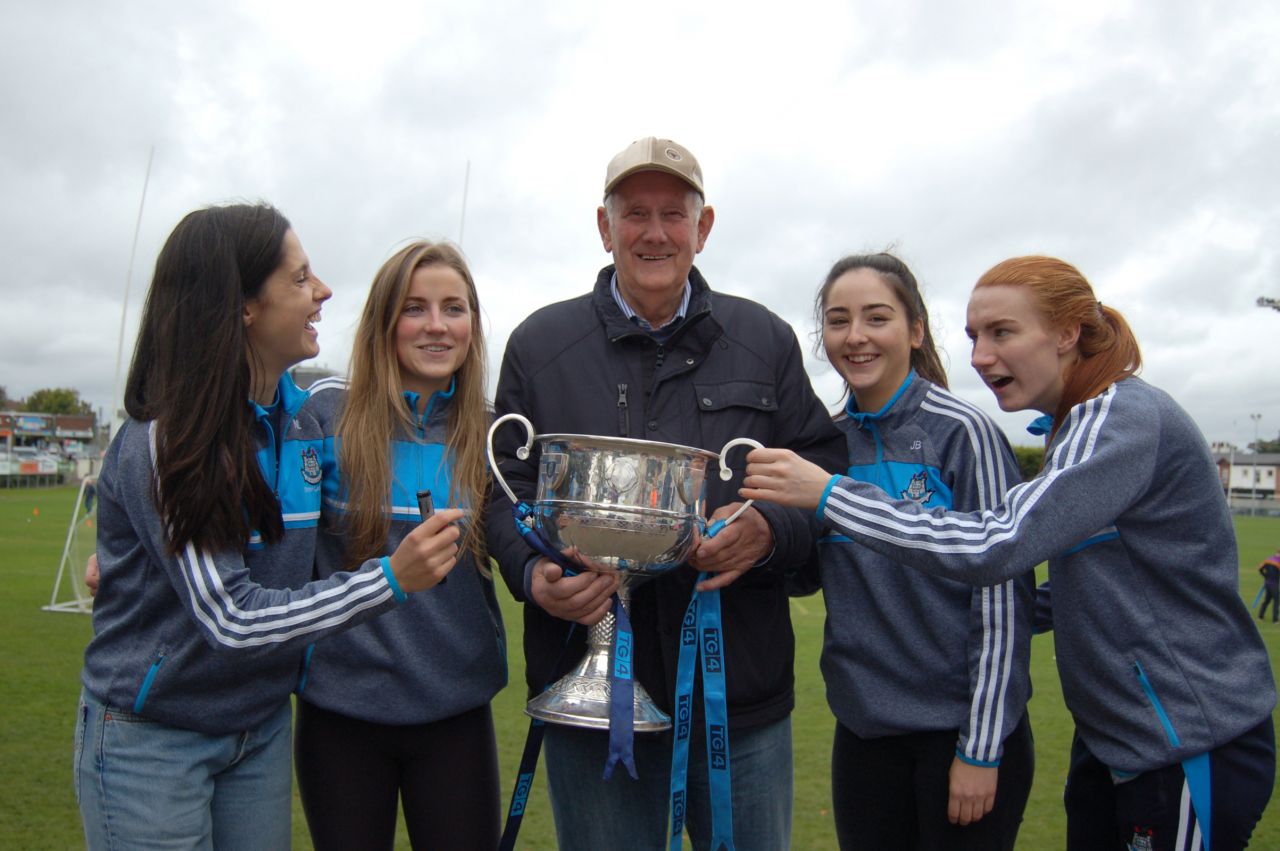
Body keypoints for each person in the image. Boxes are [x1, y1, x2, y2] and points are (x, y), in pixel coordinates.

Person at [741, 255, 1277, 850]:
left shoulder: (1121, 417)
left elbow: (1001, 546)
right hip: (1112, 743)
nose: (979, 357)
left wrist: (831, 495)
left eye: (1002, 333)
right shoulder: (1072, 428)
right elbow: (1043, 585)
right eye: (974, 337)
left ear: (1068, 333)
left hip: (1187, 737)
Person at [484, 137, 846, 851]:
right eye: (636, 214)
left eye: (674, 215)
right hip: (591, 705)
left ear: (703, 227)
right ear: (604, 225)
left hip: (738, 702)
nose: (655, 233)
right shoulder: (540, 343)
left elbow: (824, 484)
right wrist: (533, 575)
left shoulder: (764, 341)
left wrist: (770, 531)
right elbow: (502, 490)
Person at [75, 204, 463, 851]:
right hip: (153, 736)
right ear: (244, 306)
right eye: (300, 278)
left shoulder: (308, 424)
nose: (324, 292)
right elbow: (232, 618)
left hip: (259, 728)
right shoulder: (167, 441)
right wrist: (392, 578)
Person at [804, 253, 1034, 849]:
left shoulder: (963, 432)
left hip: (959, 737)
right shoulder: (824, 443)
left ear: (915, 330)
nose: (855, 337)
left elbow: (1005, 597)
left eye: (875, 318)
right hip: (863, 732)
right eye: (838, 320)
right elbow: (807, 566)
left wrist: (981, 750)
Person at [294, 241, 507, 850]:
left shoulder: (492, 434)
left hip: (456, 714)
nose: (437, 325)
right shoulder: (323, 415)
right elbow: (261, 535)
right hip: (341, 715)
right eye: (416, 308)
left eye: (454, 308)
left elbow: (528, 546)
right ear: (384, 322)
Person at [1258, 551, 1280, 623]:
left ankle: (1260, 616)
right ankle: (1275, 620)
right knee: (1276, 601)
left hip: (1267, 583)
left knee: (1266, 601)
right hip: (1274, 584)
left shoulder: (1268, 559)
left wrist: (1265, 576)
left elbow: (1260, 568)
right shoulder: (1278, 562)